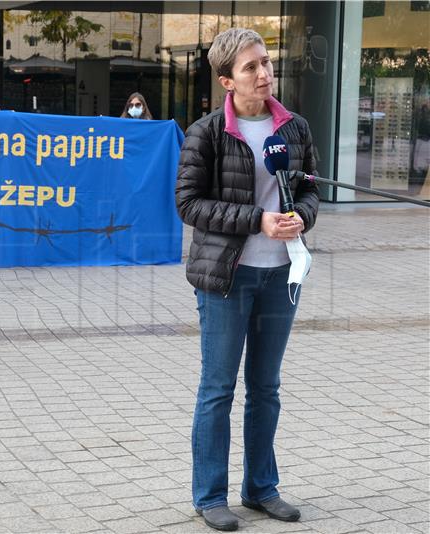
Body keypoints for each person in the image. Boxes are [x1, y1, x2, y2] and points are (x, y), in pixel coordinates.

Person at [176, 28, 319, 532]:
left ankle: (261, 489)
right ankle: (210, 495)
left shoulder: (294, 128)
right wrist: (256, 219)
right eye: (251, 67)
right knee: (218, 387)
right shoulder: (207, 132)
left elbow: (309, 191)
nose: (264, 74)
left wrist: (300, 216)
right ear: (226, 81)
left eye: (266, 62)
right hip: (227, 278)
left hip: (281, 275)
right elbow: (188, 204)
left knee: (267, 387)